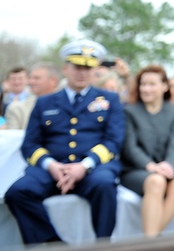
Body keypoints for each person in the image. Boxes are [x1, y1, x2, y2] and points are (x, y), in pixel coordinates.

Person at [3, 40, 124, 245]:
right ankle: (54, 245)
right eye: (77, 67)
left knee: (105, 186)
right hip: (52, 169)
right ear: (65, 68)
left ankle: (103, 246)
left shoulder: (109, 100)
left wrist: (84, 166)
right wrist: (51, 166)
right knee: (17, 193)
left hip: (92, 169)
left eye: (87, 67)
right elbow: (30, 144)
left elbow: (113, 141)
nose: (82, 73)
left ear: (94, 70)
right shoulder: (44, 102)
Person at [121, 65, 174, 237]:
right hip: (137, 170)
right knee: (156, 182)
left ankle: (150, 241)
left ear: (164, 86)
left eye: (152, 84)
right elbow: (130, 147)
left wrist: (169, 165)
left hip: (168, 168)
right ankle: (152, 242)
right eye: (143, 84)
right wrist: (151, 166)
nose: (146, 88)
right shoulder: (129, 112)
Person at [0, 62, 61, 131]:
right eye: (30, 78)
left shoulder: (69, 105)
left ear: (53, 80)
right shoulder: (16, 109)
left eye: (36, 78)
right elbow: (12, 138)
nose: (31, 82)